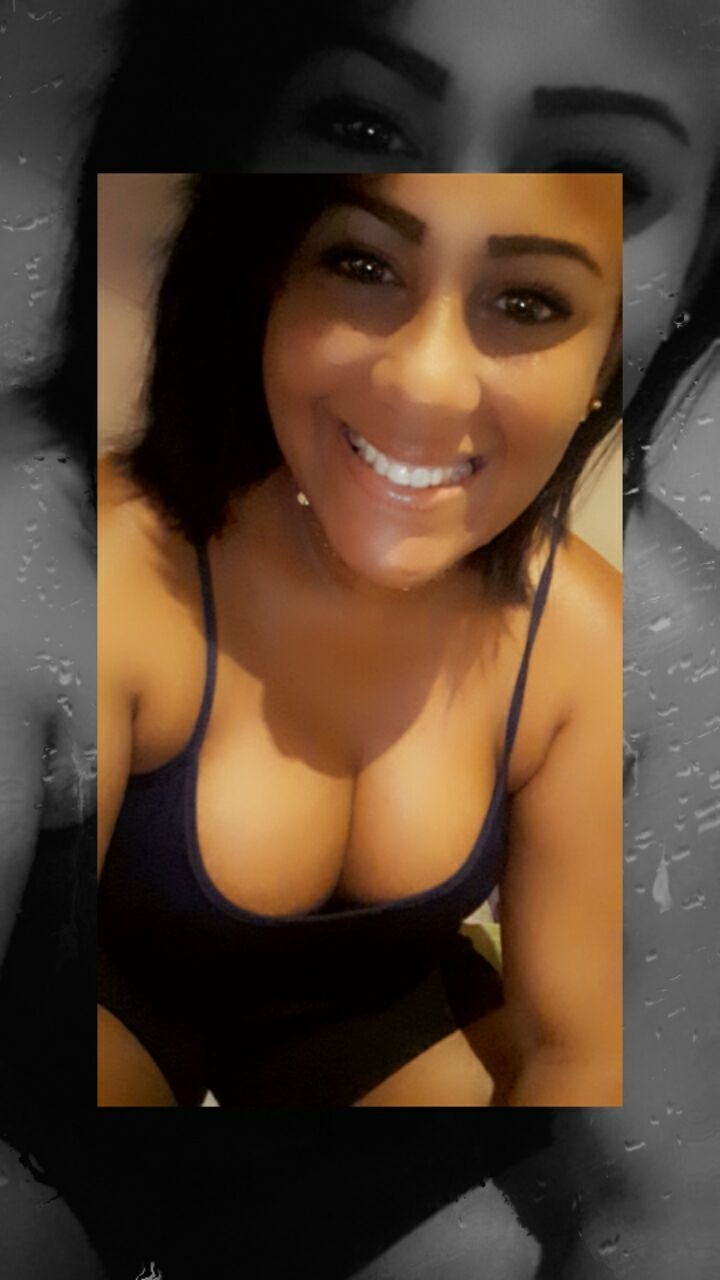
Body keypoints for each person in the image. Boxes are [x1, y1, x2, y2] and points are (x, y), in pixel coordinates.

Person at [98, 169, 623, 1112]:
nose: (425, 382)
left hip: (380, 1013)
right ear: (270, 287)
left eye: (528, 303)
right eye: (362, 264)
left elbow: (577, 1055)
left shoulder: (584, 639)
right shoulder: (108, 563)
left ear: (604, 366)